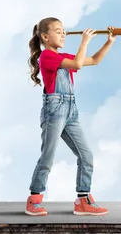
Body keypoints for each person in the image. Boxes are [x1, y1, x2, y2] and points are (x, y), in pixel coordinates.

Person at [25, 17, 115, 216]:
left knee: (86, 155)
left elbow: (93, 60)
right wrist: (84, 41)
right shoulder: (47, 57)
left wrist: (109, 42)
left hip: (71, 110)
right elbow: (78, 64)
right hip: (55, 109)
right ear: (45, 37)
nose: (63, 34)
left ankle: (83, 200)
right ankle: (34, 199)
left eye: (64, 30)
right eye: (58, 31)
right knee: (48, 155)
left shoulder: (62, 56)